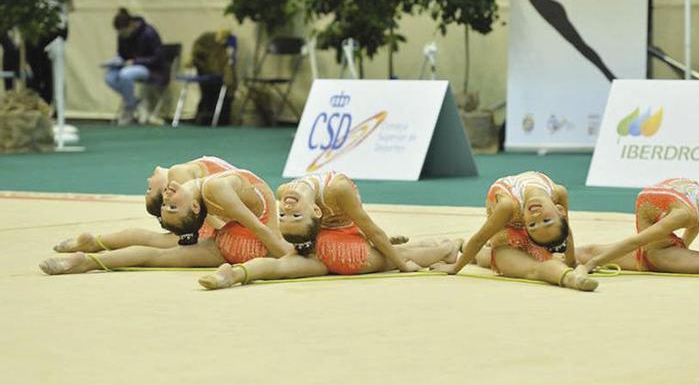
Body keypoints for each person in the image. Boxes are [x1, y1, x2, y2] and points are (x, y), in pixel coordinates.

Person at [197, 171, 451, 290]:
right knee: (281, 268)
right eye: (287, 215)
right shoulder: (302, 191)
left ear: (318, 212)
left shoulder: (331, 189)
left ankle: (450, 246)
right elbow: (373, 234)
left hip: (351, 246)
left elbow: (371, 231)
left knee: (402, 251)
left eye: (291, 215)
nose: (286, 208)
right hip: (330, 249)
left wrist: (400, 263)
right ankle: (231, 276)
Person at [39, 169, 290, 275]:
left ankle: (93, 252)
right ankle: (87, 261)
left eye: (167, 205)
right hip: (241, 244)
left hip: (238, 244)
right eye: (170, 206)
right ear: (194, 207)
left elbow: (254, 227)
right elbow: (257, 226)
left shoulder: (206, 187)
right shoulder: (208, 188)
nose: (166, 198)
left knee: (158, 250)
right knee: (155, 253)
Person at [430, 171, 597, 291]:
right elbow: (480, 238)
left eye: (537, 223)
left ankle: (465, 247)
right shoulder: (508, 205)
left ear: (561, 210)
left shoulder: (558, 196)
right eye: (545, 221)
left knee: (553, 256)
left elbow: (566, 231)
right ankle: (570, 279)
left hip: (529, 232)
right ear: (559, 211)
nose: (537, 217)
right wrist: (455, 267)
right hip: (505, 229)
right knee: (530, 268)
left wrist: (571, 261)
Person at [51, 156, 237, 253]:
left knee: (156, 242)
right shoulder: (179, 176)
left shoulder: (181, 173)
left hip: (220, 221)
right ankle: (97, 244)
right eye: (149, 189)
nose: (149, 178)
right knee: (156, 243)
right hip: (221, 225)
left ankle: (98, 243)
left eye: (148, 189)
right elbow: (212, 216)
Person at [103, 8, 168, 125]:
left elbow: (158, 58)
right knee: (109, 78)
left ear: (131, 25)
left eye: (124, 32)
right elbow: (122, 55)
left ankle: (129, 107)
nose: (122, 35)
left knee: (125, 75)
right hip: (128, 66)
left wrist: (136, 61)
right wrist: (116, 61)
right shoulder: (122, 36)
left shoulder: (149, 32)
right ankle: (135, 103)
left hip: (151, 69)